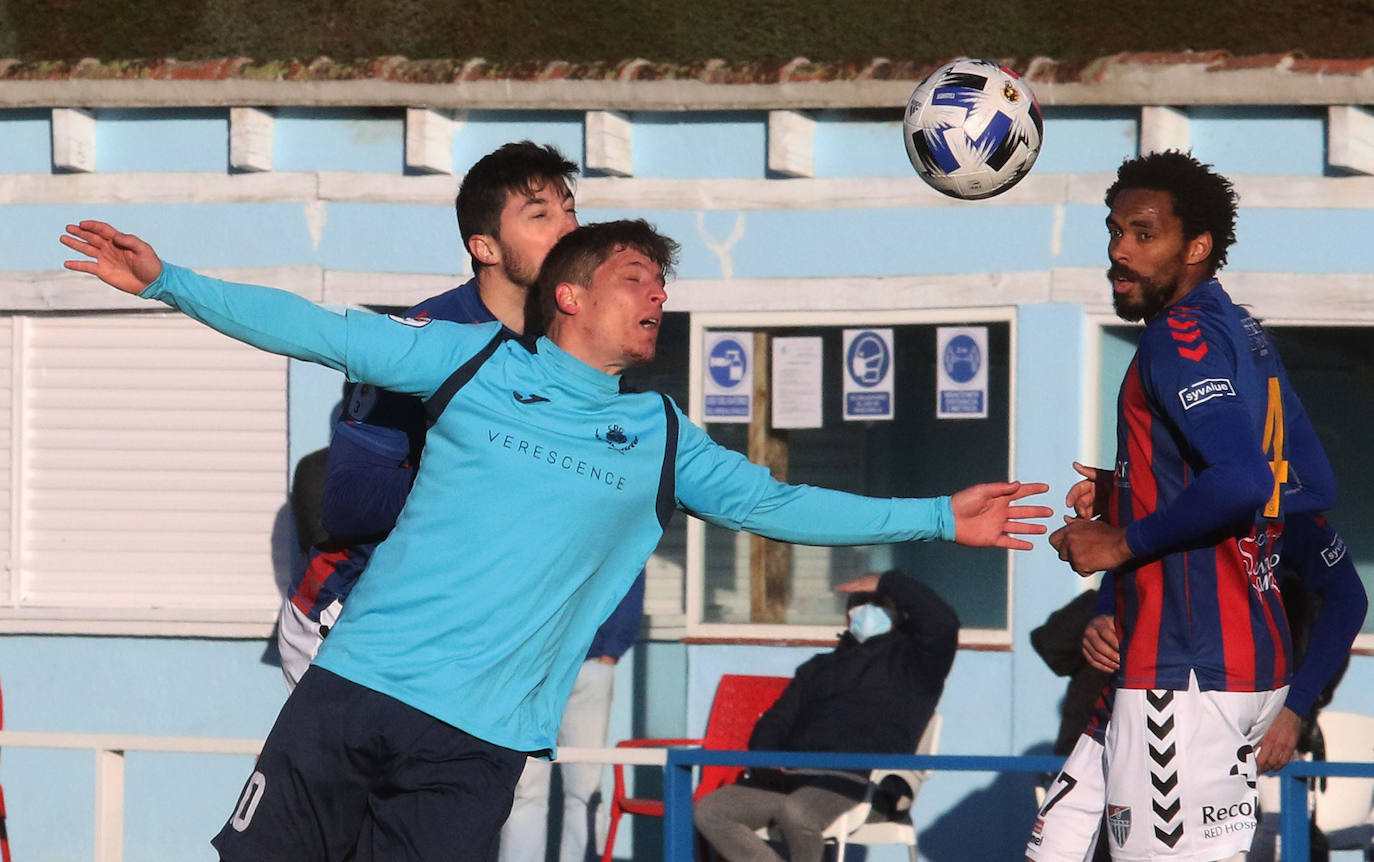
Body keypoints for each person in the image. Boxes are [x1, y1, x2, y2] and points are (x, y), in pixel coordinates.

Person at [61, 216, 1052, 862]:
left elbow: (778, 505)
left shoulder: (659, 434)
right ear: (570, 295)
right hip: (354, 688)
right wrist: (169, 280)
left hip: (478, 738)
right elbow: (318, 328)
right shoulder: (467, 360)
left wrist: (933, 516)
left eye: (661, 284)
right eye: (636, 277)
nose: (656, 295)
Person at [1047, 150, 1339, 861]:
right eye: (1115, 231)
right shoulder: (1242, 333)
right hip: (1230, 658)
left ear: (1197, 246)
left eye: (1144, 235)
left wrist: (1120, 541)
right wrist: (1132, 488)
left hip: (1186, 669)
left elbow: (1242, 481)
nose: (1120, 250)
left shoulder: (1178, 339)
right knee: (1054, 840)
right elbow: (1307, 486)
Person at [278, 139, 579, 689]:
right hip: (355, 619)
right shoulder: (418, 341)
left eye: (570, 210)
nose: (568, 230)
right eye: (540, 216)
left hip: (472, 629)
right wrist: (480, 476)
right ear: (485, 247)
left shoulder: (571, 347)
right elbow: (345, 506)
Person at [1027, 514, 1366, 862]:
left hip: (1204, 738)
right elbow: (1067, 626)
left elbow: (1348, 597)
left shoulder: (1268, 509)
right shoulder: (1152, 509)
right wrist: (1101, 611)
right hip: (1110, 730)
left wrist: (1297, 706)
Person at [694, 569, 957, 862]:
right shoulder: (817, 667)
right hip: (794, 777)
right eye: (860, 604)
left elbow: (943, 623)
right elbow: (776, 720)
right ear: (847, 616)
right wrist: (767, 758)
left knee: (797, 811)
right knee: (711, 810)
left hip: (861, 783)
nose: (868, 610)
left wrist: (889, 582)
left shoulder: (915, 665)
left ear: (899, 615)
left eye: (880, 603)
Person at [500, 571, 644, 862]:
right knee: (526, 787)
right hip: (533, 668)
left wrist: (610, 652)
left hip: (589, 664)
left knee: (586, 788)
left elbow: (632, 571)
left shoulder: (614, 522)